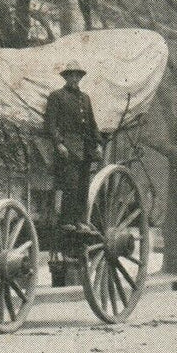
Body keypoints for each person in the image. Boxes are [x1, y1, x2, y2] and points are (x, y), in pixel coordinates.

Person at [45, 59, 100, 230]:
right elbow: (50, 123)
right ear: (66, 77)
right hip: (67, 147)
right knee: (71, 184)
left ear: (80, 77)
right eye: (71, 76)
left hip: (85, 147)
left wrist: (98, 143)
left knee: (84, 185)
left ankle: (80, 220)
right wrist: (59, 143)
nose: (74, 79)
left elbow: (92, 123)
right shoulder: (57, 96)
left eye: (77, 76)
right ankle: (67, 221)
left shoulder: (85, 98)